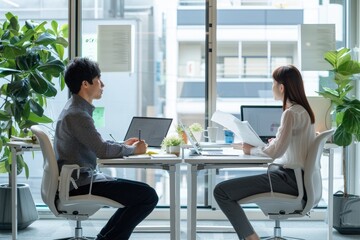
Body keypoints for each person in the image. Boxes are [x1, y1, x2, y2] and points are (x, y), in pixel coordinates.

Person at [54, 57, 159, 240]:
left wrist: (123, 145)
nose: (103, 84)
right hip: (81, 184)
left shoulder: (76, 110)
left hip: (81, 180)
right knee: (147, 195)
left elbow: (97, 143)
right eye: (99, 79)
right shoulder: (78, 115)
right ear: (85, 84)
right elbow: (102, 150)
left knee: (142, 193)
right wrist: (134, 150)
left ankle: (104, 238)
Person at [213, 65, 316, 240]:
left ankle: (251, 238)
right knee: (225, 190)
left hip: (287, 180)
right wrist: (273, 142)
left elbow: (272, 155)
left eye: (273, 83)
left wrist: (250, 149)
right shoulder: (304, 112)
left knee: (221, 191)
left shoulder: (290, 113)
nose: (272, 88)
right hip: (294, 178)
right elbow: (286, 146)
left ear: (281, 87)